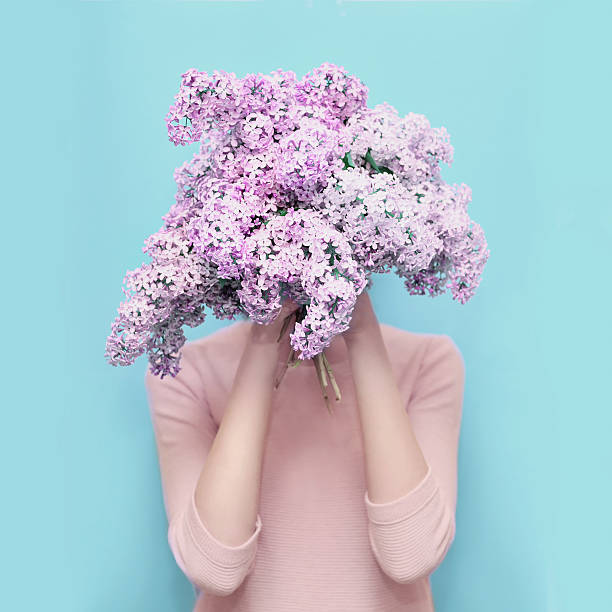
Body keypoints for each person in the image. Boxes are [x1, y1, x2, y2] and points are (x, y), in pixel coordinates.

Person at [144, 290, 465, 611]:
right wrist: (264, 342)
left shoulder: (427, 362)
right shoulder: (184, 373)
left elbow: (412, 557)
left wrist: (363, 334)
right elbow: (213, 569)